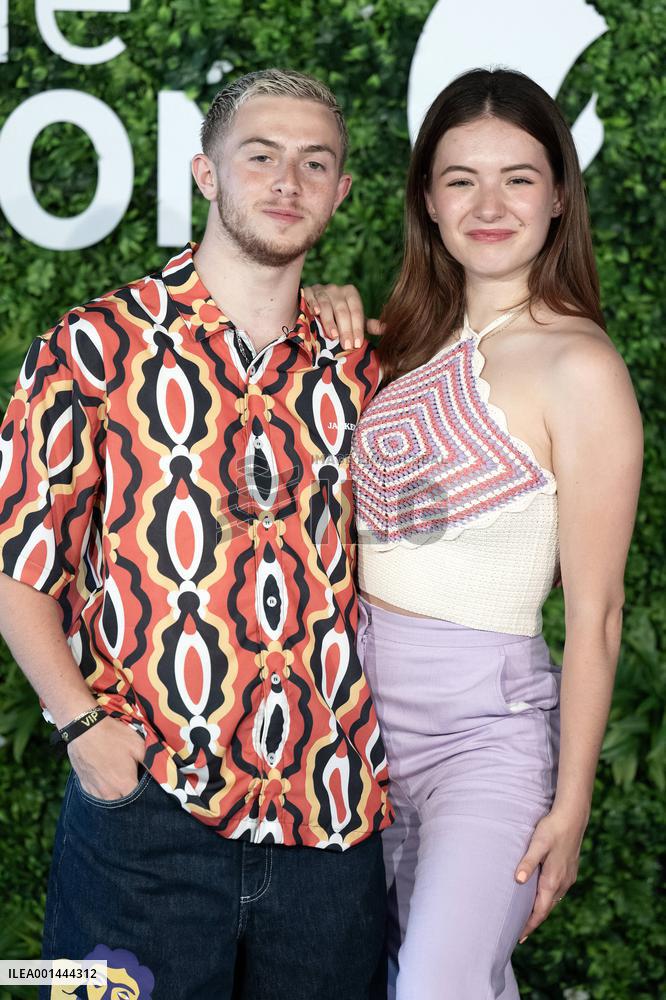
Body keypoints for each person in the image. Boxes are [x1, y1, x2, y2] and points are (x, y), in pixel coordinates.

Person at [0, 69, 392, 1000]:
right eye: (260, 156)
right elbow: (17, 570)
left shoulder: (364, 365)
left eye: (314, 162)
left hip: (329, 824)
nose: (286, 181)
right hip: (144, 821)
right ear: (207, 174)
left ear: (340, 193)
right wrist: (87, 733)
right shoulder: (92, 347)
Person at [305, 68, 643, 999]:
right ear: (427, 198)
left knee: (438, 988)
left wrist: (571, 805)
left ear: (559, 194)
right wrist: (332, 309)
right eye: (461, 179)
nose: (489, 204)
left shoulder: (580, 365)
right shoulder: (409, 340)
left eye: (519, 177)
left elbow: (599, 611)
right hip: (347, 727)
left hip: (482, 739)